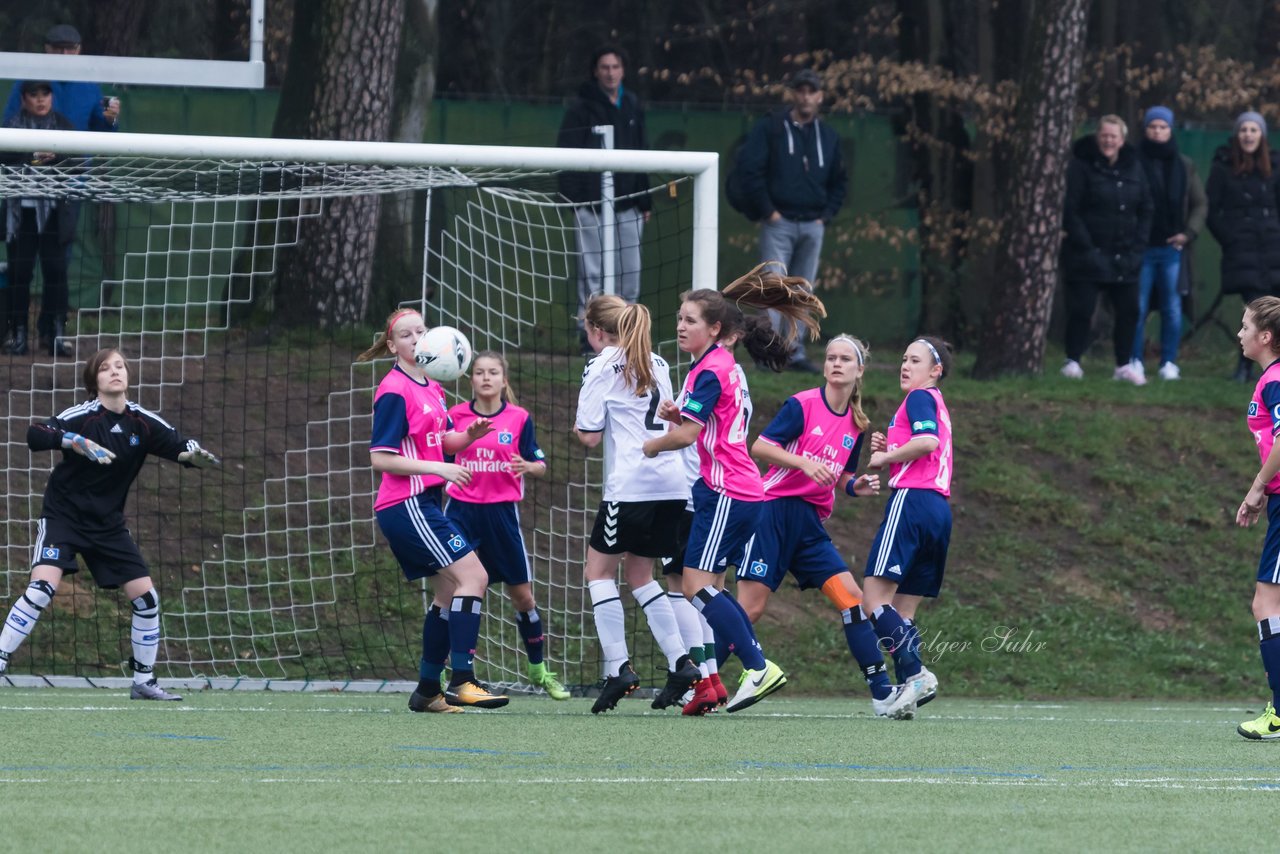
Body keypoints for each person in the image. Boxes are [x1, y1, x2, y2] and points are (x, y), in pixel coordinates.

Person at [641, 263, 826, 713]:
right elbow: (711, 424)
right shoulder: (722, 365)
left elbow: (687, 436)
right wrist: (675, 418)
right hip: (734, 491)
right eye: (680, 318)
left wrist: (654, 444)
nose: (681, 327)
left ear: (715, 328)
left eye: (690, 321)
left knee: (695, 588)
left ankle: (758, 666)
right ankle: (713, 683)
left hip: (728, 492)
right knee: (712, 589)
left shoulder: (709, 371)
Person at [0, 347, 219, 699]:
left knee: (146, 598)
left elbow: (180, 445)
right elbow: (35, 434)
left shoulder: (142, 422)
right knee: (42, 590)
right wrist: (71, 440)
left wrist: (192, 457)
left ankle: (143, 682)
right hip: (64, 517)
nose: (115, 372)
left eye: (120, 366)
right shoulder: (83, 416)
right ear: (95, 381)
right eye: (105, 368)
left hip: (108, 526)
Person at [737, 335, 922, 719]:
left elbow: (841, 478)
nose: (835, 363)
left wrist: (859, 486)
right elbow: (759, 447)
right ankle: (701, 681)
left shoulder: (858, 424)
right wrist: (803, 463)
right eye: (830, 358)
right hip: (772, 512)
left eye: (844, 359)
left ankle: (882, 693)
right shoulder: (801, 405)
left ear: (859, 371)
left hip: (809, 525)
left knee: (853, 602)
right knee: (750, 609)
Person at [358, 308, 509, 712]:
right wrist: (439, 466)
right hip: (405, 503)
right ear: (392, 345)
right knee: (474, 575)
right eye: (406, 335)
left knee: (447, 591)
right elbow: (382, 458)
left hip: (425, 502)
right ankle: (463, 680)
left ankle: (427, 689)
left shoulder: (433, 387)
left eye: (421, 331)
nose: (416, 339)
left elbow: (440, 443)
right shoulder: (394, 389)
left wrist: (465, 437)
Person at [574, 295, 703, 714]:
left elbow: (589, 435)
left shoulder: (602, 364)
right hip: (671, 485)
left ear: (596, 332)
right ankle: (681, 663)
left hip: (631, 486)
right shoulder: (659, 362)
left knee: (598, 572)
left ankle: (618, 667)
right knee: (641, 574)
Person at [444, 351, 569, 701]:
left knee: (523, 596)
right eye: (479, 372)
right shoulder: (455, 416)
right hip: (460, 513)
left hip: (501, 516)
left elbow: (540, 463)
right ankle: (445, 669)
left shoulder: (519, 418)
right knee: (452, 593)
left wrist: (529, 467)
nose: (486, 377)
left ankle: (538, 670)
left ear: (504, 379)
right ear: (471, 380)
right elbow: (439, 458)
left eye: (493, 372)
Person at [861, 337, 955, 719]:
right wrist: (893, 448)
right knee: (903, 610)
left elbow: (927, 441)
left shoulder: (920, 397)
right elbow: (925, 440)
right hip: (938, 509)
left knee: (873, 598)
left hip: (912, 502)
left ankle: (915, 673)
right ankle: (908, 688)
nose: (905, 365)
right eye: (903, 359)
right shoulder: (934, 403)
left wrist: (885, 456)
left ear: (935, 371)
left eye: (915, 360)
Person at [734, 69, 848, 373]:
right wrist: (769, 211)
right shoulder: (772, 128)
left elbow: (839, 181)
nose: (806, 96)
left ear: (820, 96)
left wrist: (826, 216)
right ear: (793, 94)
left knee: (802, 291)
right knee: (772, 287)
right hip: (779, 221)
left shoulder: (828, 136)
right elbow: (751, 170)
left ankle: (794, 353)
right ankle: (766, 352)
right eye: (801, 90)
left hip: (813, 223)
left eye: (812, 91)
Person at [556, 45, 652, 356]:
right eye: (604, 67)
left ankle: (627, 338)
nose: (610, 72)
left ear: (623, 70)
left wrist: (645, 200)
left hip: (628, 205)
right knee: (591, 275)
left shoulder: (634, 106)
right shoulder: (580, 109)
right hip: (591, 208)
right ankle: (590, 338)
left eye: (615, 66)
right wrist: (576, 200)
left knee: (630, 276)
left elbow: (643, 153)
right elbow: (566, 157)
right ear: (596, 71)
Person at [1060, 115, 1153, 384]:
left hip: (1126, 255)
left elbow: (1146, 208)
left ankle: (1123, 365)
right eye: (1104, 135)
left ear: (1122, 140)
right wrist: (1087, 247)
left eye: (1114, 136)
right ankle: (1072, 360)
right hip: (1087, 253)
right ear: (1097, 137)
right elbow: (1071, 210)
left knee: (1130, 310)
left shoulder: (1135, 168)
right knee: (1082, 308)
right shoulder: (1080, 166)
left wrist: (1137, 247)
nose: (1109, 141)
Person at [1130, 106, 1207, 382]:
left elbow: (1200, 204)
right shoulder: (1133, 161)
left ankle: (1168, 362)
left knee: (1172, 309)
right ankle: (1134, 360)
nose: (1158, 131)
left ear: (1170, 129)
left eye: (1163, 127)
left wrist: (1188, 233)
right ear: (1146, 129)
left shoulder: (1184, 165)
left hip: (1172, 250)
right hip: (1141, 247)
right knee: (1137, 308)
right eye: (1153, 127)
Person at [1234, 296, 1280, 739]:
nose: (1240, 333)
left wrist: (1258, 486)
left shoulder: (1277, 379)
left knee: (1265, 604)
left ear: (1266, 336)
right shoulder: (1270, 378)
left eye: (1246, 326)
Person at [2, 80, 76, 357]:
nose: (40, 99)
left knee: (57, 273)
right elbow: (3, 157)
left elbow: (78, 162)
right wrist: (30, 156)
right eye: (34, 94)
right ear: (24, 98)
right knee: (20, 275)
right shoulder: (10, 126)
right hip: (20, 214)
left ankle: (56, 333)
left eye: (45, 93)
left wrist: (54, 158)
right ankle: (18, 333)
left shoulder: (65, 126)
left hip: (55, 213)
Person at [1206, 111, 1280, 384]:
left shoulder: (1274, 165)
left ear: (1262, 135)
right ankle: (1244, 368)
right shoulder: (1223, 166)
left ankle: (1272, 372)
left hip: (1274, 250)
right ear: (1237, 135)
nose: (1248, 134)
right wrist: (1232, 239)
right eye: (1244, 130)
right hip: (1243, 252)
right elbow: (1212, 212)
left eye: (1254, 130)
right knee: (1256, 312)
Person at [2, 25, 122, 133]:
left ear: (79, 49)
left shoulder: (90, 85)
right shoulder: (29, 80)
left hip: (77, 155)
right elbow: (10, 124)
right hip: (36, 153)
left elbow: (101, 130)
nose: (64, 54)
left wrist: (110, 119)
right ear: (47, 48)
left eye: (70, 48)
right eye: (58, 48)